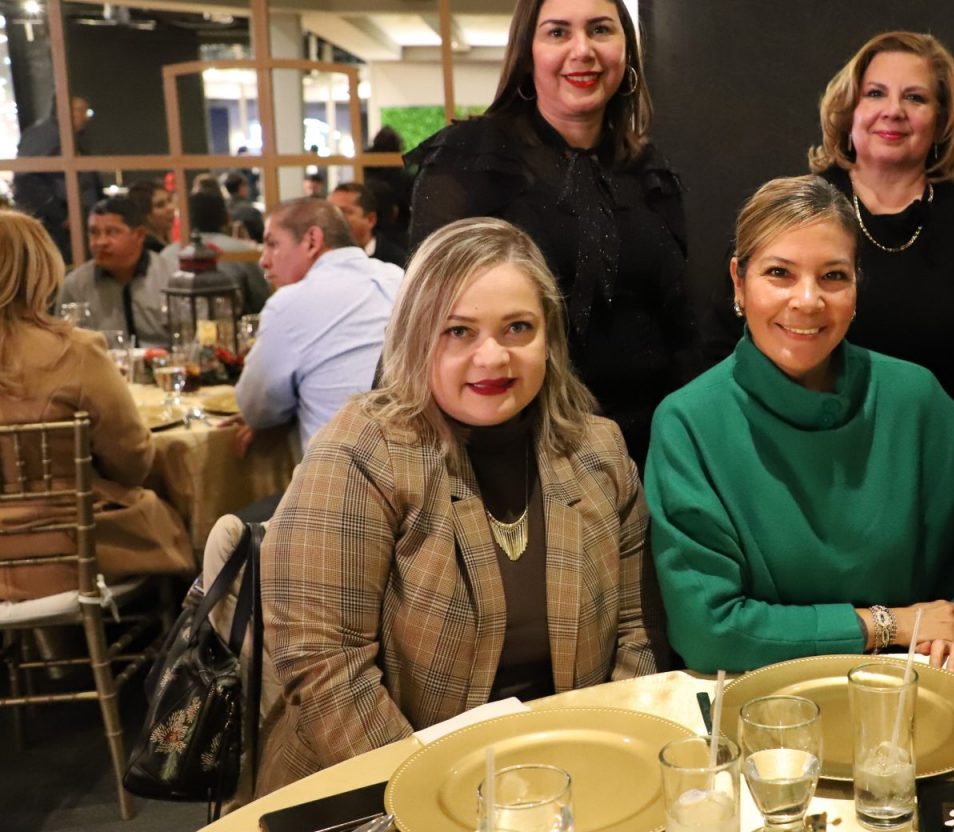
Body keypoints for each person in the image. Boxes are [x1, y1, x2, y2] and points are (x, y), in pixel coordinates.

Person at [259, 217, 664, 793]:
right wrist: (437, 802)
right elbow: (325, 668)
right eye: (458, 332)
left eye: (518, 328)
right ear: (415, 336)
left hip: (562, 780)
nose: (492, 357)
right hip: (381, 788)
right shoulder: (359, 453)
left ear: (549, 339)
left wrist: (611, 762)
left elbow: (636, 632)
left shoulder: (597, 449)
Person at [647, 175, 954, 674]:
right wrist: (886, 624)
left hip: (907, 684)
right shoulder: (688, 424)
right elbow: (709, 630)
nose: (808, 300)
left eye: (833, 276)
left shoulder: (919, 402)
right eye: (779, 273)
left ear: (856, 286)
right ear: (738, 283)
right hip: (759, 697)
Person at [410, 0, 696, 464]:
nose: (582, 50)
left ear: (626, 49)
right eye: (558, 32)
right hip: (514, 453)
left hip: (649, 452)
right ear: (528, 54)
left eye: (600, 29)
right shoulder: (472, 160)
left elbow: (679, 328)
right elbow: (424, 321)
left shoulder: (650, 175)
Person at [802, 31, 954, 482]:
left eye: (915, 97)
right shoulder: (798, 212)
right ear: (849, 109)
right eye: (875, 93)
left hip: (940, 476)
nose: (893, 110)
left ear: (940, 121)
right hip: (809, 469)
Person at [0, 209, 192, 601]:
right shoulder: (74, 352)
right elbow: (132, 461)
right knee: (182, 516)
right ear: (41, 270)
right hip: (71, 552)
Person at [236, 199, 402, 453]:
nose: (263, 261)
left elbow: (256, 409)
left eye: (272, 244)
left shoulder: (289, 304)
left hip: (339, 471)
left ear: (312, 241)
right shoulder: (398, 277)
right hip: (421, 463)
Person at [59, 196, 176, 348]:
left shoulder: (171, 277)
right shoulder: (75, 286)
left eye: (112, 232)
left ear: (139, 235)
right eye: (94, 233)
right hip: (100, 362)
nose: (101, 242)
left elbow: (191, 339)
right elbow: (64, 344)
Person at [13, 95, 94, 263]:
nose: (84, 116)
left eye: (85, 111)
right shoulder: (45, 135)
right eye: (79, 110)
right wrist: (60, 215)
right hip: (57, 226)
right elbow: (25, 177)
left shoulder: (66, 137)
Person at [161, 190, 268, 314]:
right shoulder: (242, 251)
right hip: (231, 321)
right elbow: (261, 299)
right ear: (226, 217)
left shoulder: (167, 254)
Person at [329, 181, 408, 267]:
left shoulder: (396, 261)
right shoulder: (326, 257)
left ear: (371, 220)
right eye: (330, 211)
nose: (334, 218)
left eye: (344, 212)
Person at [125, 180, 175, 253]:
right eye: (160, 205)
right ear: (143, 215)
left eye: (169, 200)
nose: (171, 208)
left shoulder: (167, 242)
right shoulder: (147, 252)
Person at [223, 171, 265, 243]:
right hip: (251, 248)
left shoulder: (223, 208)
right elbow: (262, 236)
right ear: (241, 187)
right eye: (246, 185)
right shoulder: (251, 211)